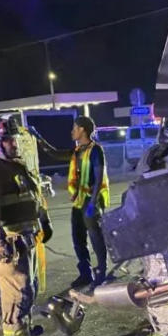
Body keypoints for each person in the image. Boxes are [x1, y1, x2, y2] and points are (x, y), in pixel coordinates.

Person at [0, 118, 52, 336]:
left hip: (26, 239)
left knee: (29, 287)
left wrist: (43, 222)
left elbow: (33, 198)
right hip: (10, 243)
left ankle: (24, 326)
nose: (14, 143)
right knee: (17, 290)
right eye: (8, 139)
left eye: (15, 138)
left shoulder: (16, 167)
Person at [35, 116, 109, 288]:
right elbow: (53, 153)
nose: (72, 131)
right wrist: (38, 138)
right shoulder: (76, 152)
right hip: (79, 202)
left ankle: (102, 271)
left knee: (95, 237)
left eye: (74, 128)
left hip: (91, 201)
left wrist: (93, 204)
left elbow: (99, 178)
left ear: (82, 129)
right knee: (78, 238)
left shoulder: (95, 150)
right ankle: (85, 273)